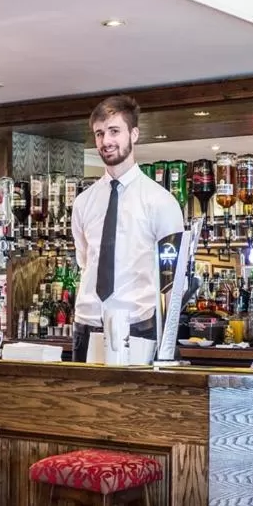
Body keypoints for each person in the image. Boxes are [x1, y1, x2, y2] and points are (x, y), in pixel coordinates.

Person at [70, 94, 185, 363]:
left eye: (114, 131)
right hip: (86, 322)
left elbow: (173, 278)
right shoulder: (83, 202)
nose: (106, 141)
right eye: (99, 134)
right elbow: (85, 261)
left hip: (138, 325)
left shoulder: (161, 201)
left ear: (134, 134)